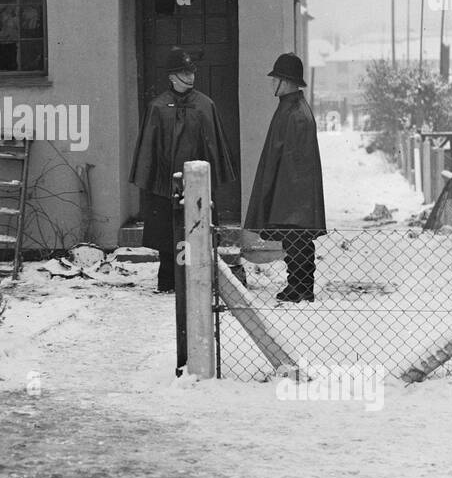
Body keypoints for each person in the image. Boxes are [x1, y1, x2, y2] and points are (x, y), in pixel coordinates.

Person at [130, 48, 237, 293]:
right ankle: (167, 281)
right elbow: (149, 150)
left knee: (199, 231)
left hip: (197, 182)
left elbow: (214, 147)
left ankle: (200, 282)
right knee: (167, 234)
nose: (189, 77)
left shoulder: (204, 105)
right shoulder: (157, 107)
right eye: (182, 72)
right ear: (171, 76)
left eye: (191, 71)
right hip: (165, 183)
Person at [244, 52, 326, 302]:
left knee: (297, 240)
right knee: (295, 241)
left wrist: (284, 199)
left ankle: (300, 287)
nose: (271, 83)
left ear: (286, 81)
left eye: (275, 78)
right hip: (289, 192)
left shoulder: (296, 113)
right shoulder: (290, 108)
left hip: (292, 195)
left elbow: (295, 163)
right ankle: (299, 286)